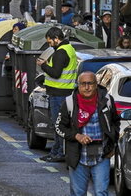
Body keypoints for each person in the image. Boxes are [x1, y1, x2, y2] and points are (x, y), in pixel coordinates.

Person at [56, 71, 120, 196]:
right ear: (78, 85)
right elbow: (59, 127)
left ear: (96, 84)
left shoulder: (107, 100)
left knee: (101, 192)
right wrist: (76, 136)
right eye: (83, 84)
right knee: (78, 193)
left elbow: (116, 123)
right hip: (78, 156)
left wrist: (113, 145)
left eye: (90, 83)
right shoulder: (69, 103)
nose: (87, 87)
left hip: (102, 155)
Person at [37, 26, 78, 162]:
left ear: (56, 39)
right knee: (59, 125)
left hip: (59, 94)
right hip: (64, 92)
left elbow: (56, 73)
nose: (50, 44)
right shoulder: (69, 49)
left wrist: (43, 65)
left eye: (50, 42)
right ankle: (55, 151)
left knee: (58, 125)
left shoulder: (61, 52)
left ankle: (59, 152)